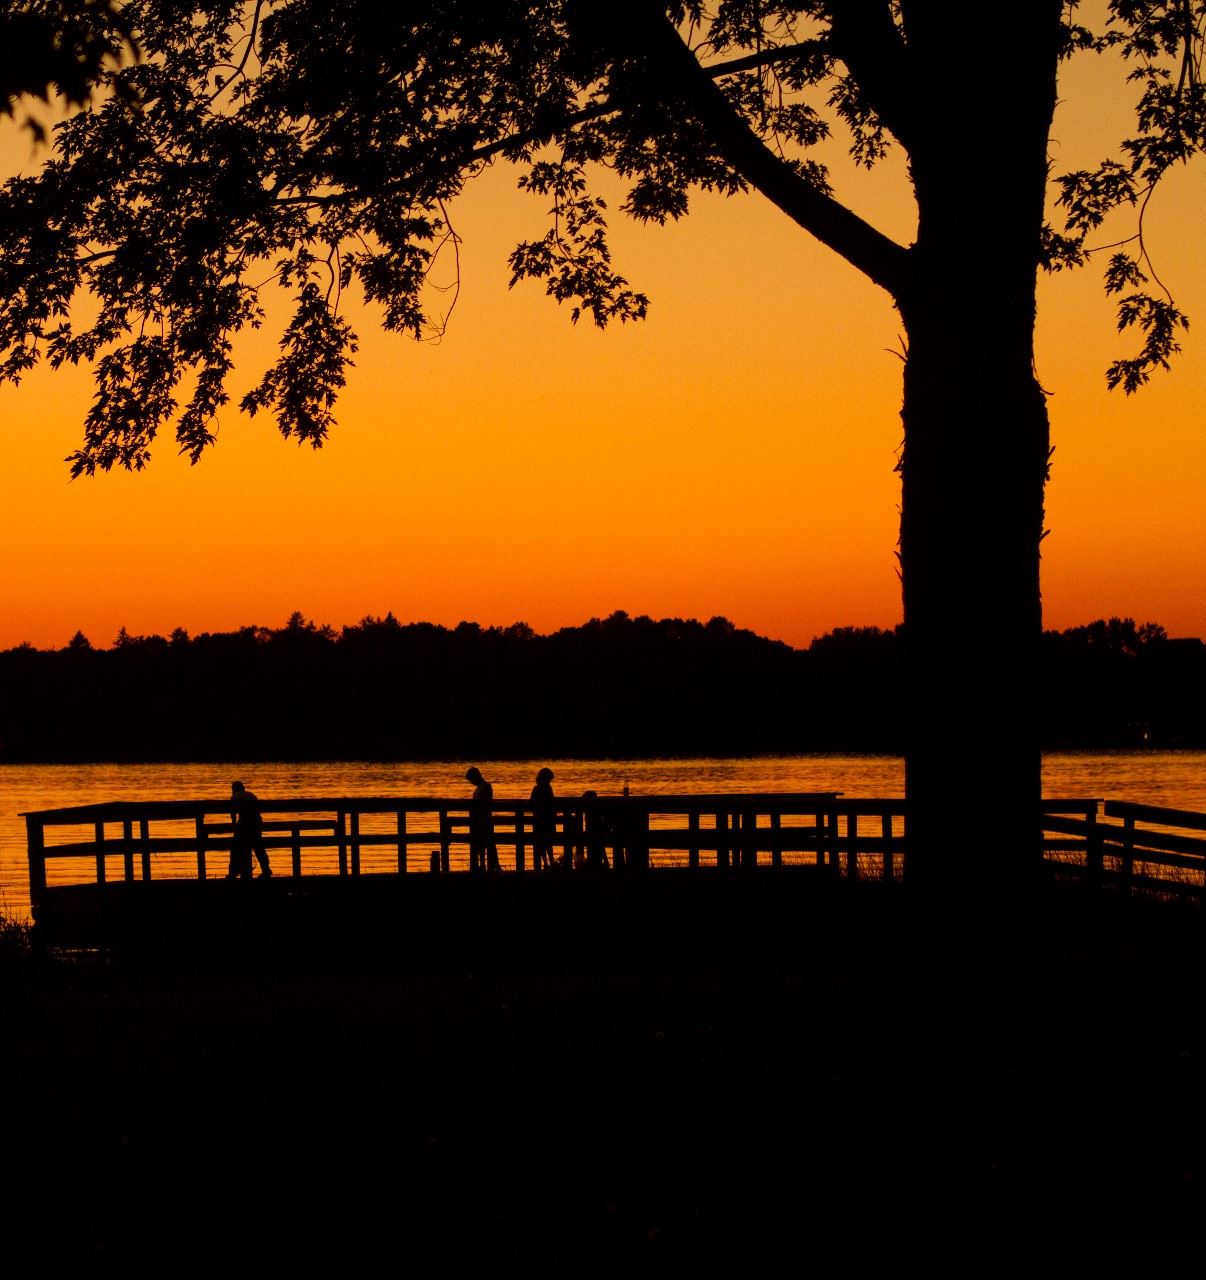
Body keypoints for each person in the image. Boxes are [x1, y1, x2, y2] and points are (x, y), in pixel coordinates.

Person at [228, 780, 271, 878]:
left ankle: (234, 872)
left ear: (233, 790)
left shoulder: (235, 796)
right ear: (243, 788)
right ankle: (266, 869)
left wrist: (234, 826)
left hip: (244, 823)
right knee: (257, 846)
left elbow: (233, 814)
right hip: (257, 823)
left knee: (235, 846)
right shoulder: (251, 795)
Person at [465, 766, 500, 873]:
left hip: (485, 820)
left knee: (489, 844)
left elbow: (483, 803)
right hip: (478, 821)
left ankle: (493, 866)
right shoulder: (478, 789)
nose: (471, 782)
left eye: (471, 780)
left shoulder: (486, 786)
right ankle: (484, 866)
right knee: (481, 845)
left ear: (476, 776)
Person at [530, 767, 556, 871]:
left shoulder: (536, 788)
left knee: (541, 843)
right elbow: (552, 802)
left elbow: (531, 802)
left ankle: (546, 862)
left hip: (538, 819)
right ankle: (550, 861)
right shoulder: (547, 788)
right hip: (546, 819)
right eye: (549, 779)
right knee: (548, 842)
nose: (549, 781)